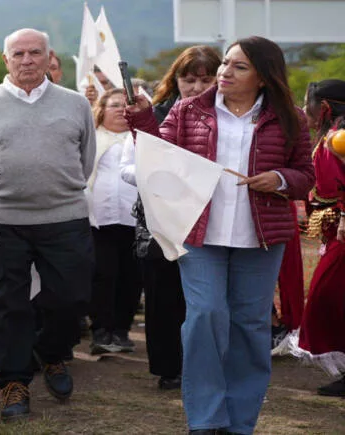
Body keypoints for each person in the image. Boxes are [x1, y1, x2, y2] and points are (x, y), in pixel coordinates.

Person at [125, 36, 314, 434]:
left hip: (261, 239)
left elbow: (305, 177)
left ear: (263, 77)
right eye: (226, 63)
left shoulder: (291, 117)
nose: (225, 72)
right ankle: (207, 419)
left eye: (238, 66)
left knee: (249, 325)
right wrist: (142, 121)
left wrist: (279, 179)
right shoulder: (188, 109)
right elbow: (161, 159)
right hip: (200, 233)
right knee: (206, 316)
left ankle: (240, 421)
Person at [0, 28, 96, 421]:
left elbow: (84, 160)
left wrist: (56, 188)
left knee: (71, 298)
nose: (27, 60)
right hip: (3, 219)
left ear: (48, 56)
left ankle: (52, 353)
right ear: (5, 60)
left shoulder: (75, 104)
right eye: (18, 54)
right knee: (7, 304)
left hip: (66, 215)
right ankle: (13, 382)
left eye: (35, 53)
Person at [120, 44, 221, 389]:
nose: (195, 87)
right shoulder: (153, 114)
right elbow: (128, 166)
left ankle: (206, 363)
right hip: (159, 218)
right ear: (175, 79)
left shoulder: (227, 118)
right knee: (163, 296)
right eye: (188, 79)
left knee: (204, 299)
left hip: (210, 219)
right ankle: (168, 368)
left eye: (205, 79)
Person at [292, 79, 345, 396]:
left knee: (330, 297)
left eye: (307, 102)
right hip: (334, 230)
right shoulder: (330, 136)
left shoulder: (339, 138)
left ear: (323, 107)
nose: (304, 109)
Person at [86, 88, 138, 355]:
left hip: (135, 221)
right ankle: (101, 331)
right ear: (101, 109)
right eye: (114, 104)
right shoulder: (91, 138)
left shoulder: (142, 138)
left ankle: (122, 330)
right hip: (99, 220)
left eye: (126, 105)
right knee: (102, 276)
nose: (120, 110)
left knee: (130, 278)